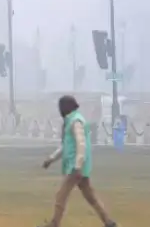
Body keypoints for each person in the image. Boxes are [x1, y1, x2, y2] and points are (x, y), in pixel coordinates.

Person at [40, 95, 117, 227]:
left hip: (75, 167)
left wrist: (78, 165)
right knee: (91, 197)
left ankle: (54, 223)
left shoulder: (76, 121)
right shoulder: (71, 120)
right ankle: (109, 222)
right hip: (77, 166)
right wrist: (51, 159)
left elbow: (81, 144)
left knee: (61, 196)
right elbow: (66, 146)